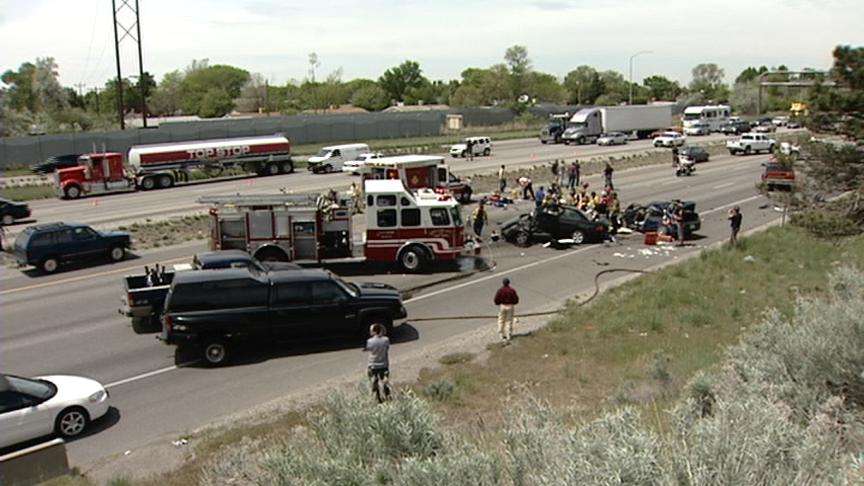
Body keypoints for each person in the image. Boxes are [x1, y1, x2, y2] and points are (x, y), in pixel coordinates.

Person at [364, 323, 392, 403]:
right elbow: (387, 348)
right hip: (384, 364)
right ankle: (387, 396)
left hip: (373, 364)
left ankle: (378, 398)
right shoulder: (386, 340)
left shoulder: (369, 341)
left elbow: (369, 349)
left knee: (374, 382)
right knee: (385, 381)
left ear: (374, 331)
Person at [493, 278, 519, 342]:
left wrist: (498, 303)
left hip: (503, 306)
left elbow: (496, 299)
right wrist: (513, 303)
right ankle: (509, 334)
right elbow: (516, 299)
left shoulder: (500, 290)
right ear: (508, 283)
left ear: (503, 283)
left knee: (501, 320)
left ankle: (501, 334)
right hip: (510, 306)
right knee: (509, 320)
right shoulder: (512, 290)